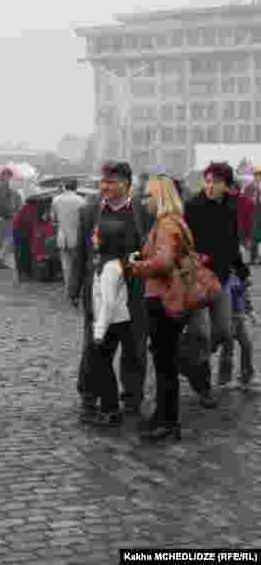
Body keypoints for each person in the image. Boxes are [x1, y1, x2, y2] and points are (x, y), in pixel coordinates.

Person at [70, 161, 149, 417]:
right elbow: (81, 252)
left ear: (126, 184)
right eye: (103, 181)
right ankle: (89, 394)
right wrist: (74, 288)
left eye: (110, 182)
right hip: (98, 289)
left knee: (134, 346)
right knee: (94, 345)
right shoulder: (89, 211)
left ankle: (132, 397)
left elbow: (147, 250)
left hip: (133, 290)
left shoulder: (142, 211)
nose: (104, 186)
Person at [124, 175, 191, 442]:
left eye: (148, 196)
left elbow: (163, 263)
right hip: (170, 298)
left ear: (160, 197)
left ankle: (167, 421)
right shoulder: (174, 222)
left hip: (163, 299)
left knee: (164, 364)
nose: (145, 201)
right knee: (166, 363)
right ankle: (164, 418)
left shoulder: (166, 225)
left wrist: (136, 267)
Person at [183, 161, 247, 407]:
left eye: (216, 182)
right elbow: (183, 243)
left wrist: (241, 271)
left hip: (221, 279)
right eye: (207, 181)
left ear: (227, 186)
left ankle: (185, 358)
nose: (210, 186)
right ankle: (204, 387)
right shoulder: (193, 206)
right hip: (197, 279)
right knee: (201, 333)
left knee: (224, 331)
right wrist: (192, 259)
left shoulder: (231, 208)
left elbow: (232, 244)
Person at [82, 216, 131, 427]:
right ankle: (109, 407)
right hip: (115, 321)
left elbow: (108, 303)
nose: (93, 237)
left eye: (96, 234)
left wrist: (99, 331)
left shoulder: (110, 267)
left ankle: (111, 410)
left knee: (102, 366)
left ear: (107, 239)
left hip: (111, 323)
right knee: (103, 365)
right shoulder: (109, 262)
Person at [51, 179, 86, 293]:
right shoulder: (82, 201)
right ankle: (77, 290)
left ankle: (68, 289)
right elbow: (84, 220)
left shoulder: (56, 200)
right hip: (77, 237)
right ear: (76, 187)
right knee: (78, 266)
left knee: (66, 266)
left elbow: (54, 219)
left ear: (65, 187)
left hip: (62, 238)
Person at [0, 168, 21, 268]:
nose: (10, 179)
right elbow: (3, 202)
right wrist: (10, 214)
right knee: (10, 236)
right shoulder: (2, 185)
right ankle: (1, 258)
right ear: (5, 175)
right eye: (9, 177)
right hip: (4, 216)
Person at [243, 167, 261, 264]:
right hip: (253, 214)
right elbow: (244, 199)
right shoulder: (249, 187)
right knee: (253, 236)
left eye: (259, 175)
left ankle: (257, 257)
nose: (258, 177)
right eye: (256, 175)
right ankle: (253, 258)